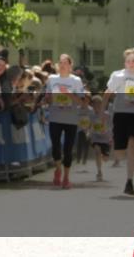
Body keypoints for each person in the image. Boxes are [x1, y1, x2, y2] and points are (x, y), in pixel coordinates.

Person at [104, 47, 134, 196]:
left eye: (133, 61)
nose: (131, 64)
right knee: (119, 152)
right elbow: (108, 93)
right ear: (125, 62)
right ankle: (112, 147)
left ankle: (129, 180)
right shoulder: (117, 76)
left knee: (133, 142)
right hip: (120, 114)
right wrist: (101, 112)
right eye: (128, 61)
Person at [44, 53, 85, 189]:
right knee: (56, 145)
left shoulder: (76, 81)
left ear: (70, 66)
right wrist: (49, 98)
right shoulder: (51, 79)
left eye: (65, 63)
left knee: (68, 149)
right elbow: (48, 98)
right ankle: (58, 169)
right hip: (55, 117)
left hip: (71, 119)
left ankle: (66, 177)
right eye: (60, 63)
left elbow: (81, 102)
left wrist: (68, 94)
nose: (62, 65)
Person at [89, 95, 112, 181]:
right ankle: (99, 171)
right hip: (96, 137)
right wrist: (88, 133)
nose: (96, 106)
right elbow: (89, 125)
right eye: (94, 104)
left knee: (105, 159)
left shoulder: (107, 115)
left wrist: (111, 137)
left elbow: (111, 126)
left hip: (106, 138)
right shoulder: (91, 115)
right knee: (97, 151)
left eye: (98, 104)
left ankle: (104, 155)